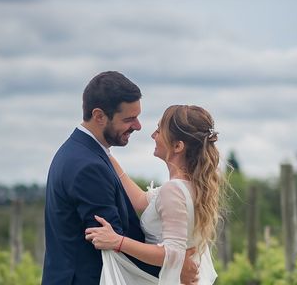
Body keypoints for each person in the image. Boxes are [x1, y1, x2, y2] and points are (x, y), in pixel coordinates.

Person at [41, 71, 198, 285]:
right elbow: (113, 245)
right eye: (129, 119)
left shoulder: (83, 153)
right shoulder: (88, 166)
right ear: (99, 116)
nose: (138, 126)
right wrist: (175, 268)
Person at [85, 104, 221, 285]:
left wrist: (117, 241)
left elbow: (173, 254)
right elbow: (140, 200)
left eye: (159, 130)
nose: (153, 135)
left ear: (178, 146)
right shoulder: (189, 187)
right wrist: (106, 153)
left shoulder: (173, 190)